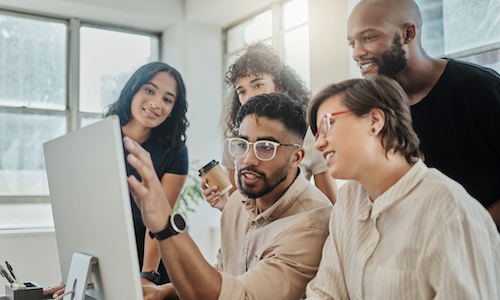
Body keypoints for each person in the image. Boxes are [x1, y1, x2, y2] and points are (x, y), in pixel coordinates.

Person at [304, 75, 500, 299]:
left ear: (375, 121)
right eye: (317, 134)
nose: (319, 143)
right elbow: (324, 292)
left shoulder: (449, 211)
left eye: (327, 124)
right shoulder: (348, 199)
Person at [131, 93, 332, 300]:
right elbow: (224, 274)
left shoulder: (311, 225)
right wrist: (167, 290)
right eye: (242, 144)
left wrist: (166, 224)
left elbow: (240, 296)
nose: (248, 159)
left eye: (266, 147)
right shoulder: (237, 202)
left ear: (295, 158)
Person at [346, 0, 500, 226]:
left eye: (369, 37)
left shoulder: (481, 89)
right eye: (352, 44)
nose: (357, 53)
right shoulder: (376, 114)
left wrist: (473, 228)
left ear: (408, 34)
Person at [44, 62, 189, 299]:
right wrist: (75, 274)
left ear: (173, 108)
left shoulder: (175, 151)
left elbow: (160, 219)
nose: (155, 103)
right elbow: (84, 215)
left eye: (167, 99)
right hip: (106, 257)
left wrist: (147, 276)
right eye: (150, 90)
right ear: (133, 89)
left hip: (152, 261)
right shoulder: (97, 138)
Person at [211, 42, 337, 208]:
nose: (248, 97)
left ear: (279, 85)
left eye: (258, 85)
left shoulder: (309, 137)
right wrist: (222, 205)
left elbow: (331, 207)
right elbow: (238, 209)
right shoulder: (235, 142)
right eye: (241, 91)